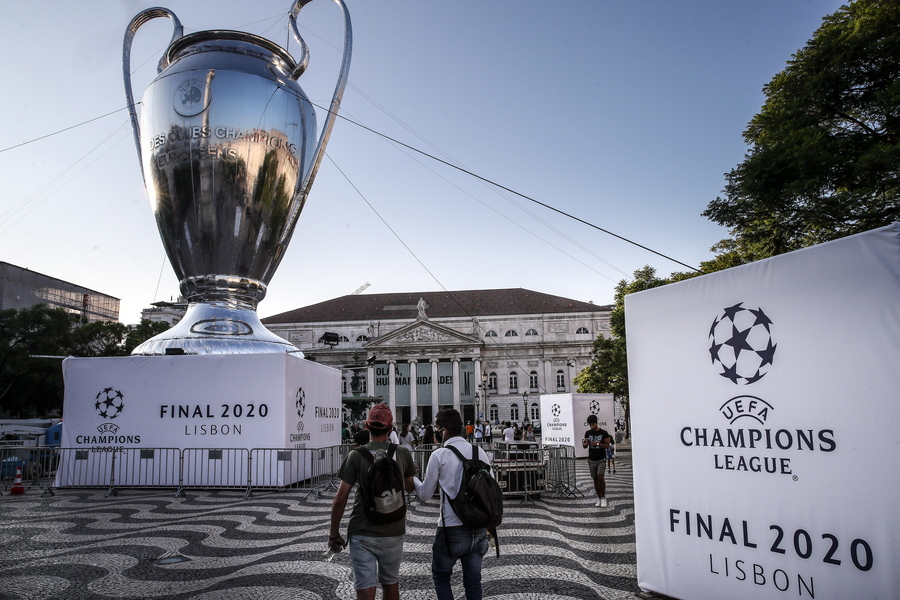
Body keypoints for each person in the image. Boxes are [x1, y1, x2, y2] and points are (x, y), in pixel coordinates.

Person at [329, 403, 416, 600]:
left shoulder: (355, 456)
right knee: (391, 583)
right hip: (393, 529)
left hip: (362, 529)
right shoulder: (402, 453)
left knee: (365, 587)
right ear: (390, 428)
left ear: (366, 425)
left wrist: (334, 534)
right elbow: (409, 486)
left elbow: (340, 498)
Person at [414, 409, 492, 600]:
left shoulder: (439, 455)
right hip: (477, 527)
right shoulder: (479, 452)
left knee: (441, 577)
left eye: (436, 428)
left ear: (444, 430)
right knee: (473, 582)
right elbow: (491, 488)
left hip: (450, 528)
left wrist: (413, 479)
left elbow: (425, 494)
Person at [582, 414, 612, 508]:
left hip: (601, 459)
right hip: (591, 459)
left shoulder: (604, 433)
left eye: (593, 424)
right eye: (590, 425)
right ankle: (599, 498)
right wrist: (585, 444)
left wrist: (597, 443)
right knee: (595, 479)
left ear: (596, 423)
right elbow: (584, 446)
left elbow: (607, 445)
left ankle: (603, 498)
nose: (591, 426)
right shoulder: (587, 433)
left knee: (600, 477)